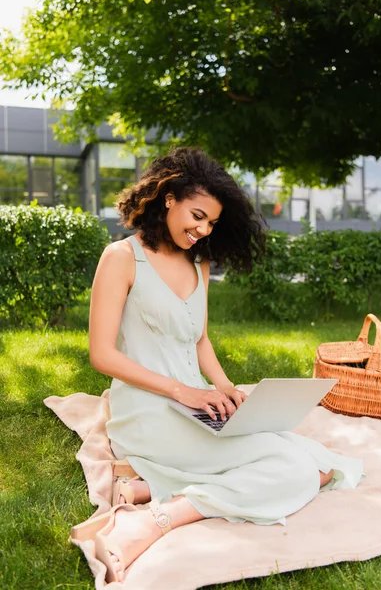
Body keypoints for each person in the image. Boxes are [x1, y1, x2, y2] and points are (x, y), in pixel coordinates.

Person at [78, 147, 363, 583]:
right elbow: (102, 355)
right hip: (149, 410)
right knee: (294, 470)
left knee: (320, 463)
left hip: (196, 405)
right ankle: (160, 518)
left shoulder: (199, 261)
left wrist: (226, 386)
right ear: (168, 197)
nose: (202, 229)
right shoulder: (121, 258)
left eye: (211, 222)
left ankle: (151, 487)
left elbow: (200, 339)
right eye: (197, 215)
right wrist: (181, 390)